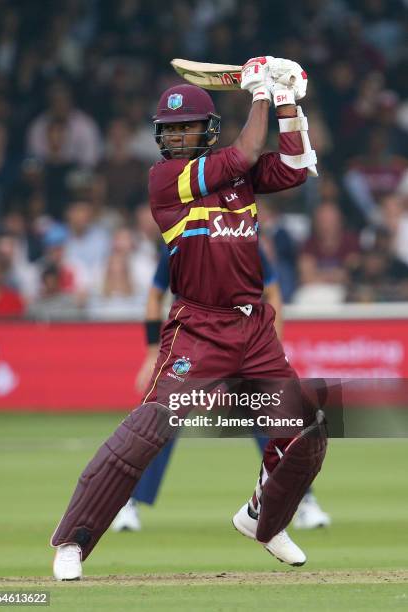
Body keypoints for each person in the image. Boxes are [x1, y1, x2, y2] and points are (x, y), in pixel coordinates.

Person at [52, 56, 327, 580]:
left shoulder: (239, 180)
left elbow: (292, 168)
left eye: (188, 128)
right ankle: (73, 541)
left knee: (307, 433)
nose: (177, 137)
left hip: (255, 329)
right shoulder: (167, 180)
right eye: (170, 130)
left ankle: (262, 520)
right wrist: (261, 94)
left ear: (206, 130)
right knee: (147, 431)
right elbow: (248, 149)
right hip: (200, 330)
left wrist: (288, 98)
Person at [111, 243, 330, 532]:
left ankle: (302, 502)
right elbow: (154, 296)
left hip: (244, 344)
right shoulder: (182, 243)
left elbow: (273, 292)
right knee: (160, 419)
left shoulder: (244, 241)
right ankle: (130, 503)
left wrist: (271, 346)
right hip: (194, 345)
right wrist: (153, 352)